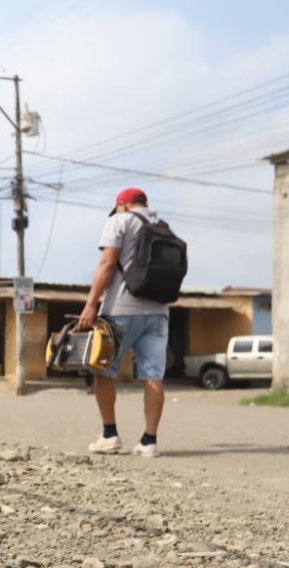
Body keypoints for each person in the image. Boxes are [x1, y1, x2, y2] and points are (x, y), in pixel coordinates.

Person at [79, 187, 168, 458]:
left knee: (102, 370)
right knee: (153, 375)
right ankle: (149, 440)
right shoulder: (163, 227)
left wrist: (91, 303)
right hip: (159, 311)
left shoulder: (119, 220)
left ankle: (109, 434)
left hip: (121, 309)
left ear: (122, 204)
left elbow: (107, 263)